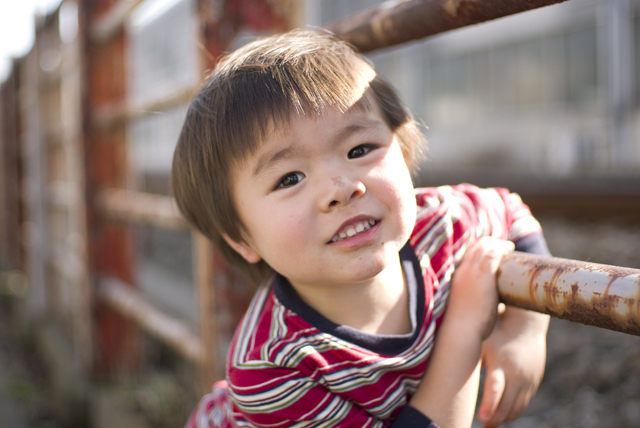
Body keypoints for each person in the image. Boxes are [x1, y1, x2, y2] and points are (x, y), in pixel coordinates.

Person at [171, 29, 550, 428]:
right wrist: (467, 329)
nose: (340, 188)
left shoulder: (442, 224)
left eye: (359, 150)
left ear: (403, 156)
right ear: (242, 239)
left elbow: (510, 211)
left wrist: (525, 330)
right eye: (289, 178)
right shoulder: (273, 366)